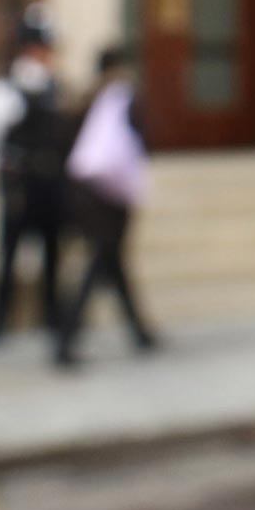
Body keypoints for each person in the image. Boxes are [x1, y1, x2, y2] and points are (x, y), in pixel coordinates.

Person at [0, 5, 73, 344]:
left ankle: (51, 316)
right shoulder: (4, 90)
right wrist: (2, 175)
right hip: (20, 183)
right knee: (9, 253)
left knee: (51, 253)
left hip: (49, 182)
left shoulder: (55, 88)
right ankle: (0, 320)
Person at [54, 46, 160, 367]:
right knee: (101, 260)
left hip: (83, 191)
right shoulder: (122, 98)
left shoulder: (84, 99)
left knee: (112, 260)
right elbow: (140, 143)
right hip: (109, 195)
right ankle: (67, 337)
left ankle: (140, 332)